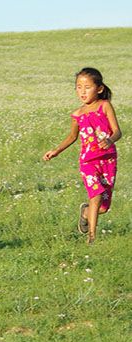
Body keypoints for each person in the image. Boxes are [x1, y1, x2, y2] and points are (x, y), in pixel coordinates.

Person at [43, 67, 122, 244]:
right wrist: (56, 151)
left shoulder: (105, 106)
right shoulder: (77, 115)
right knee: (95, 195)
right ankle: (91, 238)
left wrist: (110, 140)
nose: (82, 91)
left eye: (87, 87)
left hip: (108, 160)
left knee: (103, 206)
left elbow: (117, 131)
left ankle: (86, 212)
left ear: (99, 88)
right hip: (88, 161)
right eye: (79, 87)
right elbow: (72, 137)